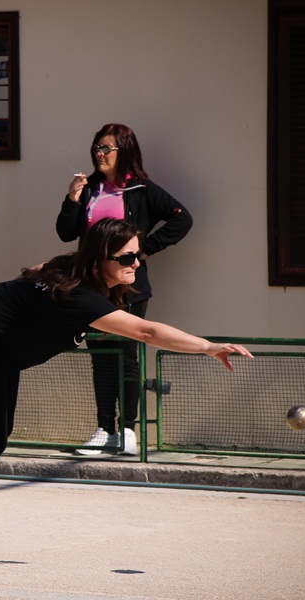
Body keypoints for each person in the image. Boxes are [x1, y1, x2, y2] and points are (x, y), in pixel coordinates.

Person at [0, 218, 252, 563]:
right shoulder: (81, 297)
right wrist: (208, 346)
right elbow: (147, 333)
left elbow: (37, 269)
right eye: (126, 258)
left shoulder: (70, 268)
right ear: (101, 260)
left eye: (138, 255)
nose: (136, 263)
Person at [55, 123, 193, 456]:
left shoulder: (140, 190)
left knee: (127, 357)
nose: (99, 154)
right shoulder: (89, 188)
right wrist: (72, 199)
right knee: (100, 357)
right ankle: (104, 429)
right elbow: (64, 232)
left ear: (124, 152)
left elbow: (181, 219)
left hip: (129, 289)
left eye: (107, 148)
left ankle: (128, 430)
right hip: (92, 286)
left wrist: (143, 251)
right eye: (97, 147)